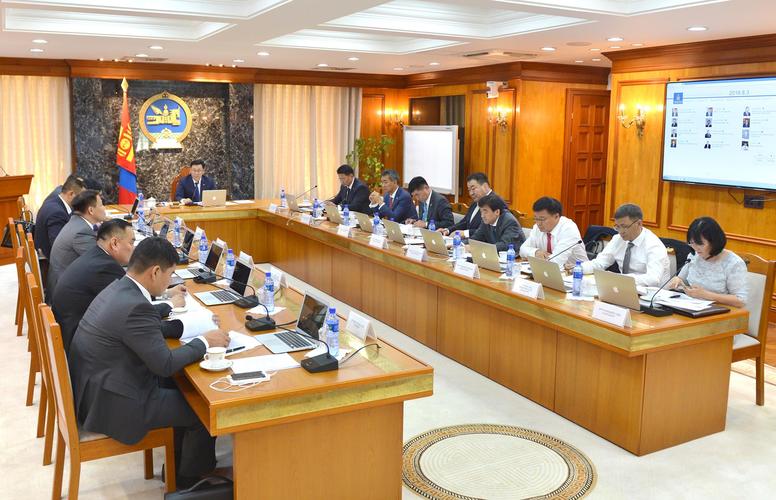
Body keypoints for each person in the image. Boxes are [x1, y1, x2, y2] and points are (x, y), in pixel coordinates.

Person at [69, 237, 229, 488]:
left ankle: (177, 465)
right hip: (117, 405)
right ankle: (189, 483)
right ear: (155, 272)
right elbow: (165, 364)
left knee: (180, 387)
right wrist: (205, 341)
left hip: (97, 391)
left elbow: (137, 322)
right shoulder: (135, 306)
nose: (170, 281)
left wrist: (169, 311)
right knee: (203, 409)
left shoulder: (118, 288)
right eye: (170, 274)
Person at [52, 219, 186, 351]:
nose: (134, 249)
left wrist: (166, 293)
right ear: (115, 243)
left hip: (74, 331)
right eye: (131, 243)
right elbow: (135, 316)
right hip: (80, 341)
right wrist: (171, 305)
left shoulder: (96, 256)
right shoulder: (106, 268)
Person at [569, 203, 669, 287]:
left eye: (624, 226)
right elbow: (600, 263)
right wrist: (579, 268)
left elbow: (653, 279)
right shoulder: (618, 239)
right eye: (617, 227)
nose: (621, 231)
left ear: (639, 224)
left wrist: (620, 279)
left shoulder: (654, 245)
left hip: (651, 295)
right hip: (623, 289)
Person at [667, 217, 747, 308]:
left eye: (700, 244)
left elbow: (741, 300)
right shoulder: (694, 256)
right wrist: (677, 281)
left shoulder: (733, 263)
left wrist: (706, 295)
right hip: (691, 307)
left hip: (720, 310)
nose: (695, 248)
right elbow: (681, 279)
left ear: (714, 242)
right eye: (692, 243)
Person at [47, 189, 108, 294]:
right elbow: (102, 261)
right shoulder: (81, 232)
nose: (104, 208)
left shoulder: (77, 222)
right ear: (91, 210)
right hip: (67, 292)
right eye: (101, 205)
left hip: (63, 280)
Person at [519, 197, 587, 266]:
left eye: (542, 219)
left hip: (577, 271)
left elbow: (556, 261)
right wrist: (536, 252)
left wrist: (532, 256)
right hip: (551, 269)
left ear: (556, 216)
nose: (538, 223)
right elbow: (522, 250)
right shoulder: (537, 228)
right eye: (536, 218)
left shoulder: (568, 228)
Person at [34, 175, 85, 259]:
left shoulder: (55, 201)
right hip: (48, 261)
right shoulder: (57, 213)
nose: (83, 202)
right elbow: (59, 248)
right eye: (81, 197)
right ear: (71, 194)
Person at [439, 172, 494, 236]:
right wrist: (448, 230)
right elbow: (465, 222)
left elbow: (487, 231)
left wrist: (465, 233)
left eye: (473, 189)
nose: (471, 193)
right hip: (469, 240)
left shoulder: (495, 202)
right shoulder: (475, 202)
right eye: (469, 190)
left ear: (485, 186)